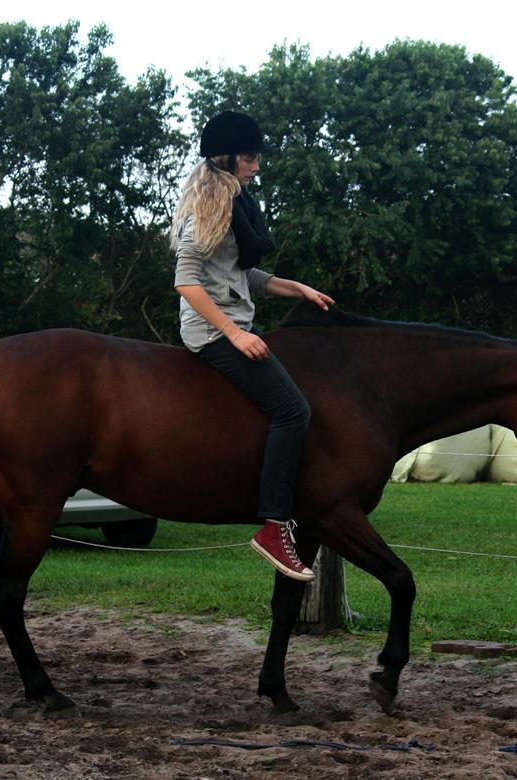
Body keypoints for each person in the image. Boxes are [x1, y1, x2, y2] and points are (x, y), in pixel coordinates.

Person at [170, 110, 334, 582]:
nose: (256, 166)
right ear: (224, 159)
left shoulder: (234, 209)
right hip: (213, 332)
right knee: (293, 412)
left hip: (236, 322)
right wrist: (235, 334)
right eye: (249, 157)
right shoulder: (207, 213)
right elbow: (187, 282)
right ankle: (273, 525)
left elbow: (244, 277)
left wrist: (295, 288)